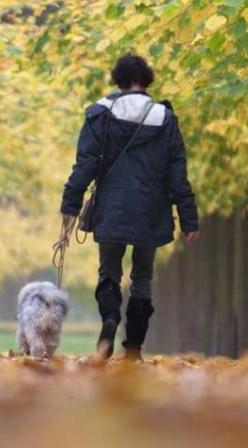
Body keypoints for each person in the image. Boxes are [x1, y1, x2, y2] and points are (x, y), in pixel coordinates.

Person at [60, 53, 199, 360]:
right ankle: (134, 346)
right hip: (151, 211)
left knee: (109, 271)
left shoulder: (100, 114)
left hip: (112, 208)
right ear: (146, 79)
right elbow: (177, 172)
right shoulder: (165, 119)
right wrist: (188, 219)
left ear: (119, 79)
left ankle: (110, 319)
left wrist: (71, 203)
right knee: (142, 278)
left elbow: (86, 164)